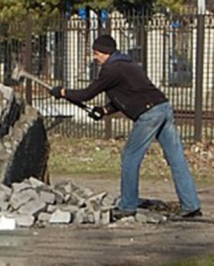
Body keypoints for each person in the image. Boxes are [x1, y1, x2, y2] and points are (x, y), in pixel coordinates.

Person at [50, 34, 201, 218]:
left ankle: (127, 206)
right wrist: (104, 110)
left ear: (105, 53)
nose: (95, 58)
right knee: (175, 157)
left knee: (130, 157)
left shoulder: (111, 69)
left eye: (97, 53)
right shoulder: (128, 65)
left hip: (149, 114)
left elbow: (87, 94)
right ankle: (191, 205)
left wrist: (63, 92)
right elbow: (127, 95)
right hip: (163, 107)